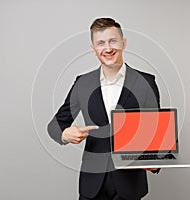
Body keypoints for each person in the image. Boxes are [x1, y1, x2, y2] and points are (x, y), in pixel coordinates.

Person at [47, 17, 160, 200]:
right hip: (92, 183)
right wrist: (64, 134)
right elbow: (55, 125)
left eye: (113, 41)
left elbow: (156, 132)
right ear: (93, 49)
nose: (107, 48)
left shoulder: (146, 82)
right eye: (101, 43)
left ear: (123, 43)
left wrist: (155, 161)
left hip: (130, 184)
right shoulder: (82, 83)